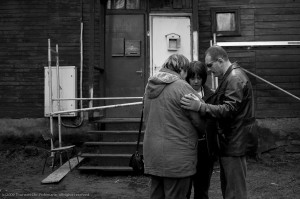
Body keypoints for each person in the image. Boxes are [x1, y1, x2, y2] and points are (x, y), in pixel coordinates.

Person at [181, 45, 255, 199]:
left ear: (220, 61)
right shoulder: (230, 77)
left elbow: (229, 109)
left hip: (234, 143)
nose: (208, 70)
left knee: (234, 192)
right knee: (229, 189)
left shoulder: (234, 78)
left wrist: (200, 106)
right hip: (230, 143)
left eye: (209, 65)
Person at [143, 54, 206, 199]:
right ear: (182, 70)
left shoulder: (149, 87)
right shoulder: (182, 87)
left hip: (153, 155)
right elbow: (200, 120)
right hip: (177, 158)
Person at [185, 61, 218, 199]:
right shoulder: (181, 93)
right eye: (193, 77)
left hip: (205, 149)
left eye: (199, 77)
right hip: (186, 148)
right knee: (184, 190)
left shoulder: (211, 95)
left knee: (202, 190)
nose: (196, 81)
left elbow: (215, 121)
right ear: (188, 78)